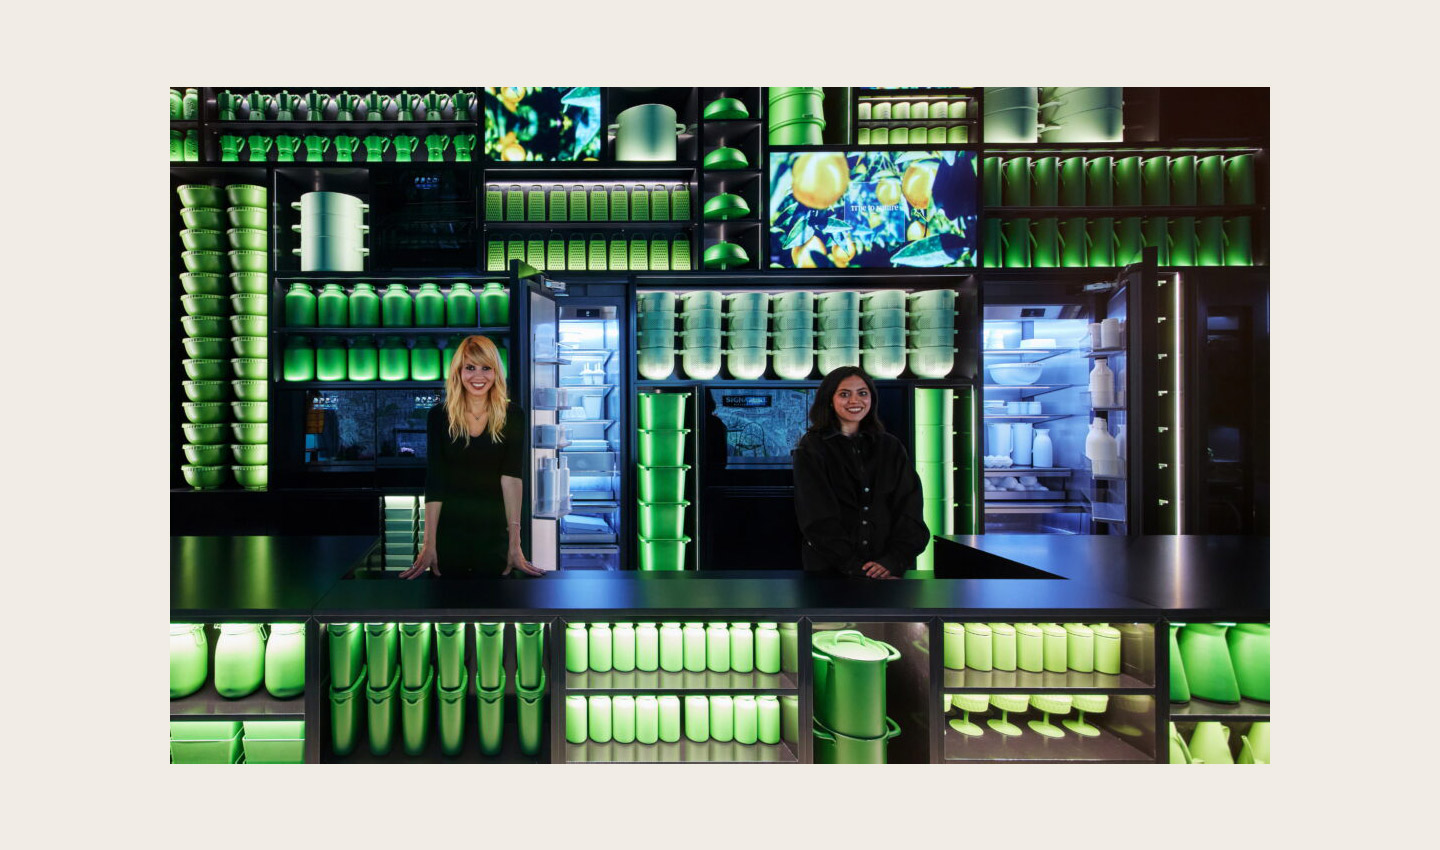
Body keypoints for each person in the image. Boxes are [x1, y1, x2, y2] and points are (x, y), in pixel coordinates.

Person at [401, 335, 542, 579]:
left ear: (496, 372)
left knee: (496, 609)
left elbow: (511, 479)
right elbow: (436, 480)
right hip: (449, 533)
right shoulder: (438, 416)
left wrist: (515, 543)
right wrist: (429, 543)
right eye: (470, 368)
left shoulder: (513, 415)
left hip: (496, 531)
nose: (478, 376)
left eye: (486, 368)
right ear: (459, 371)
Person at [791, 366, 929, 579]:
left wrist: (892, 561)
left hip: (888, 572)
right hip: (831, 573)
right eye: (845, 394)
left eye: (862, 393)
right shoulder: (811, 449)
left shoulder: (891, 447)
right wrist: (857, 568)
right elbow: (817, 520)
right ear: (829, 399)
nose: (855, 401)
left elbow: (910, 511)